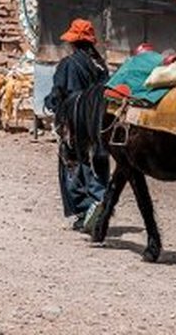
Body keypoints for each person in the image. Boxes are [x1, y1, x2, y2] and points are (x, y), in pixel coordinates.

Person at [46, 18, 110, 231]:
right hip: (98, 124)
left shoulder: (68, 64)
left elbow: (58, 94)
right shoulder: (100, 66)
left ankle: (87, 209)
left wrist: (50, 104)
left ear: (73, 42)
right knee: (97, 162)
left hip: (73, 126)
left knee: (74, 165)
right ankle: (101, 200)